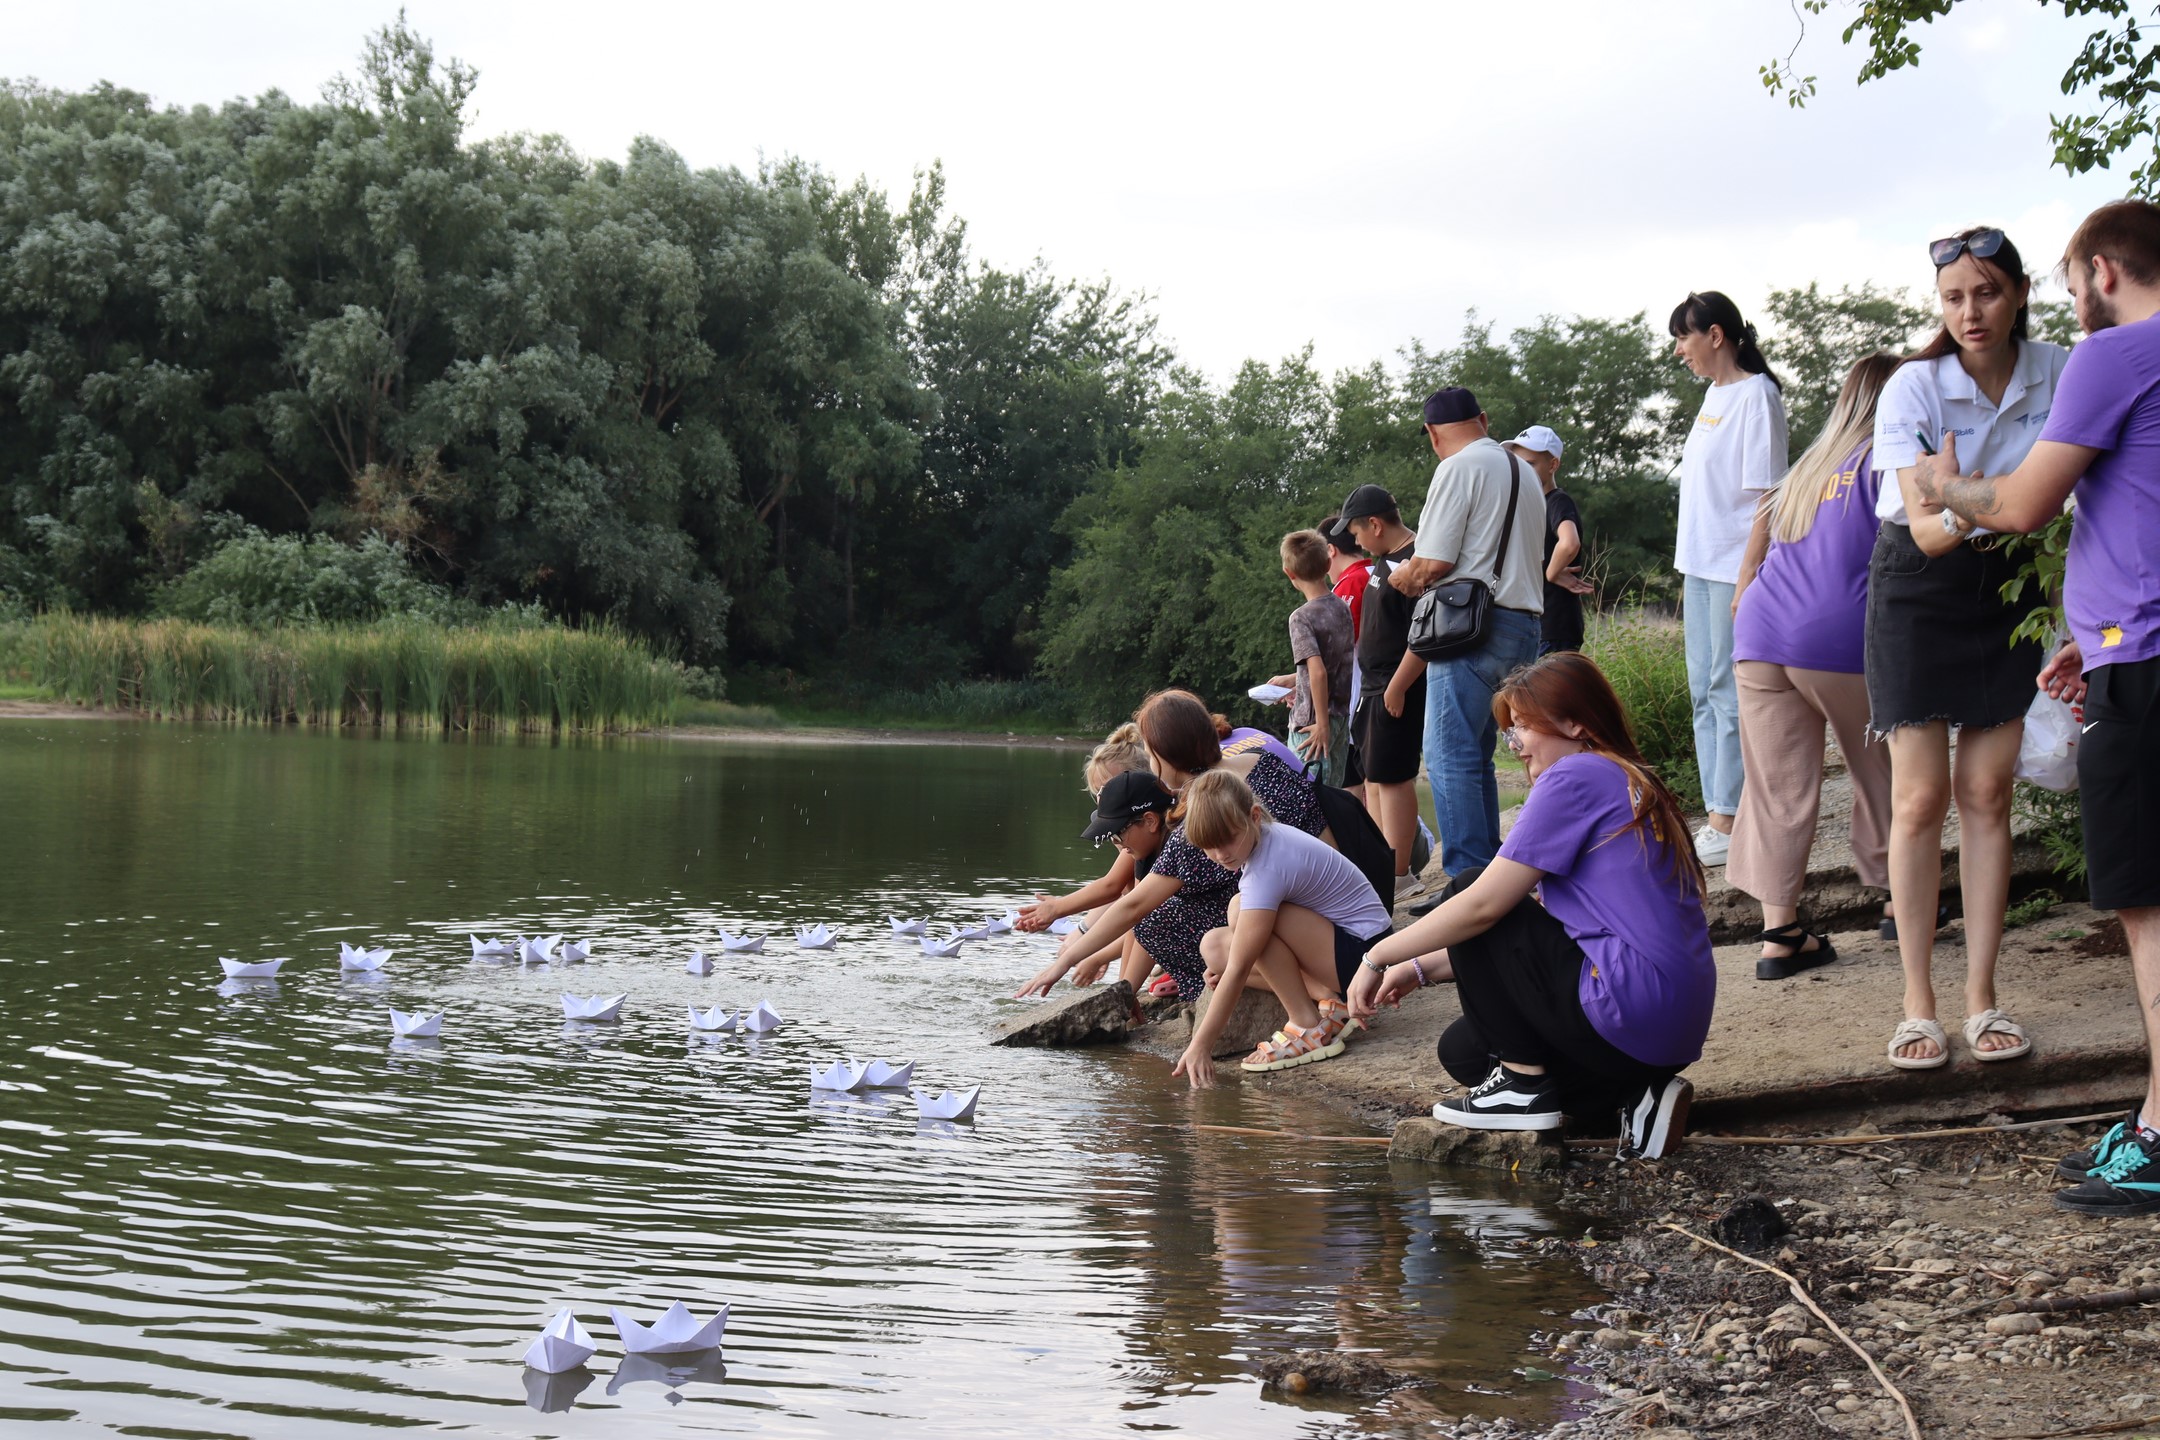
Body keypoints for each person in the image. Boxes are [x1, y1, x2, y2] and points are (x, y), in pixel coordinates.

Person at [1912, 199, 2160, 1215]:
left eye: (2066, 287)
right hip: (2127, 649)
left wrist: (1942, 487)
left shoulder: (2117, 354)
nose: (2074, 307)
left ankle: (2157, 1135)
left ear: (2103, 270)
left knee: (2150, 907)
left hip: (2144, 665)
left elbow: (2019, 506)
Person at [1349, 653, 1713, 1159]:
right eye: (1510, 731)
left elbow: (1483, 908)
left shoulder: (1576, 776)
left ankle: (1522, 1088)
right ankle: (1636, 1093)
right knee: (1465, 1050)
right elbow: (1520, 945)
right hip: (1669, 1021)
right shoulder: (1627, 777)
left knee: (1469, 886)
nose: (1515, 746)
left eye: (1522, 728)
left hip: (1630, 1002)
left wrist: (1378, 955)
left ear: (1575, 723)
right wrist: (1419, 969)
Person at [1868, 226, 2068, 1072]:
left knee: (1987, 795)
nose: (1970, 312)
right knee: (1919, 801)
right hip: (1917, 586)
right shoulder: (1913, 386)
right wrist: (1983, 500)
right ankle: (1919, 1005)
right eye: (1953, 298)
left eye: (1986, 293)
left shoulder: (2058, 371)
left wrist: (1958, 488)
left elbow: (2056, 500)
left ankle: (1983, 998)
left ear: (2019, 293)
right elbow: (1929, 528)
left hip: (2014, 586)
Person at [1728, 355, 1900, 981]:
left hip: (1761, 633)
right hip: (1835, 636)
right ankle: (1898, 904)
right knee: (1881, 768)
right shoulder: (1890, 460)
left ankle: (1781, 936)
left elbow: (1755, 546)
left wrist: (1745, 593)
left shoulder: (1806, 467)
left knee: (1776, 788)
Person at [1385, 386, 1545, 879]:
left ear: (1433, 434)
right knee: (1476, 753)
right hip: (1525, 624)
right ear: (1483, 418)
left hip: (1473, 627)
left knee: (1449, 754)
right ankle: (1489, 872)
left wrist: (1402, 577)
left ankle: (1466, 879)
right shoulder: (1526, 472)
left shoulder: (1457, 467)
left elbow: (1434, 561)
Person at [1670, 291, 1790, 866]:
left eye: (1685, 338)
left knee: (1728, 688)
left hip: (1732, 567)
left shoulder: (1757, 395)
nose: (1679, 351)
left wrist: (1748, 576)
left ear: (1715, 335)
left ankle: (1730, 815)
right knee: (1703, 690)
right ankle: (1721, 808)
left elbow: (1768, 494)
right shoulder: (1715, 396)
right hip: (1698, 564)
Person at [1172, 770, 1391, 1083]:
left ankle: (1308, 1024)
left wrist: (1200, 1045)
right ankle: (1329, 999)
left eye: (1228, 840)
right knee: (1214, 946)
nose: (1221, 854)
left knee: (1243, 921)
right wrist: (1239, 971)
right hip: (1346, 950)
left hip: (1368, 958)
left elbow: (1240, 965)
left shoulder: (1267, 867)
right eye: (1208, 846)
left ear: (1254, 816)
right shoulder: (1264, 841)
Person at [1338, 484, 1428, 899]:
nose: (1354, 540)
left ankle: (1400, 871)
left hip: (1396, 685)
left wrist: (1398, 686)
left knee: (1393, 780)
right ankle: (1381, 865)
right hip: (1371, 689)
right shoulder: (1381, 563)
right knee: (1373, 779)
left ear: (1375, 524)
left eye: (1356, 531)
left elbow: (1425, 635)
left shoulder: (1415, 561)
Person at [1015, 723, 1154, 984]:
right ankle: (1126, 990)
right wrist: (1081, 931)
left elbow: (1117, 894)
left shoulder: (1144, 829)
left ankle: (1132, 987)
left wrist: (1059, 910)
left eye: (1108, 789)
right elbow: (1121, 897)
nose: (1103, 800)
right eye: (1097, 793)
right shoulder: (1132, 832)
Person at [1265, 530, 1353, 786]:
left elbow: (1319, 673)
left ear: (1288, 573)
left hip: (1312, 726)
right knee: (1333, 797)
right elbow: (1332, 664)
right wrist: (1294, 679)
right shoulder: (1342, 607)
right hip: (1341, 719)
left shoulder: (1301, 617)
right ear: (1328, 564)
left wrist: (1321, 725)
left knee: (1306, 801)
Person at [1505, 425, 1595, 654]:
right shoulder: (1528, 505)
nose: (1522, 470)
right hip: (1535, 626)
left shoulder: (1557, 501)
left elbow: (1569, 542)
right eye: (1517, 463)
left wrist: (1552, 573)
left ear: (1553, 465)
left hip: (1554, 629)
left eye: (1530, 464)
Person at [1320, 513, 1374, 797]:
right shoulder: (1376, 573)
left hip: (1355, 700)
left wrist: (1300, 683)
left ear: (1331, 550)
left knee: (1353, 787)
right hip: (1371, 695)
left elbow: (1338, 650)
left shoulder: (1350, 584)